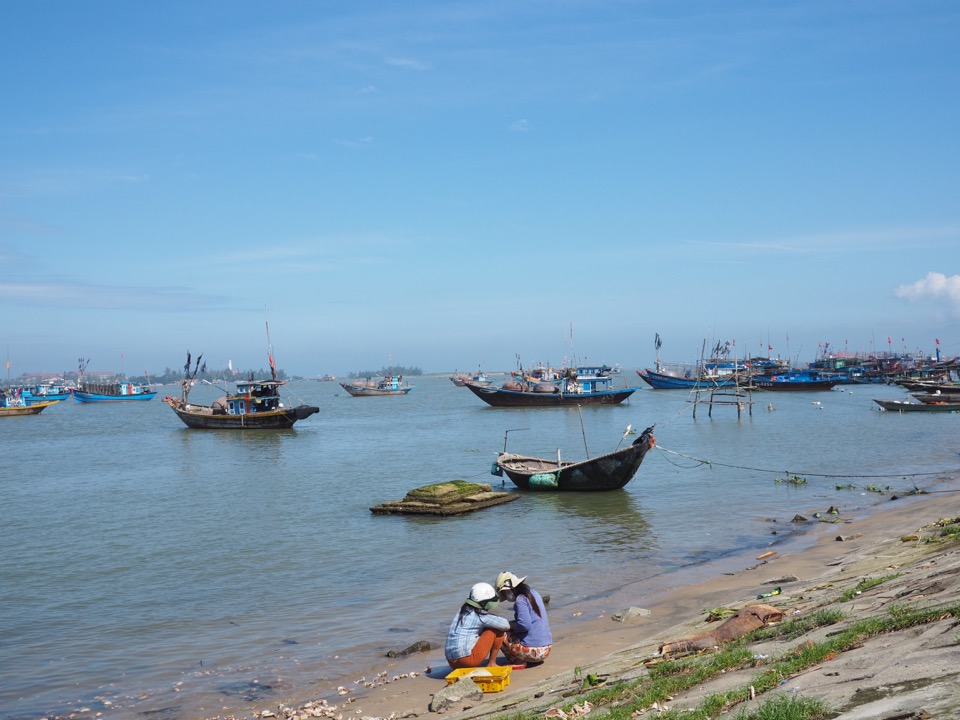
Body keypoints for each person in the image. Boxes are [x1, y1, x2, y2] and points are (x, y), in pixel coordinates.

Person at [445, 582, 510, 669]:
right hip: (466, 661)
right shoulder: (481, 616)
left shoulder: (462, 611)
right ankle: (492, 663)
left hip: (451, 662)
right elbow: (505, 625)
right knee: (496, 630)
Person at [495, 571, 552, 666]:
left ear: (509, 590)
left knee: (499, 633)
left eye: (505, 593)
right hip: (547, 648)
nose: (506, 596)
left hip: (535, 652)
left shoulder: (520, 600)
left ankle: (517, 661)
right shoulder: (534, 593)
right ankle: (524, 657)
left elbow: (525, 625)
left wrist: (512, 626)